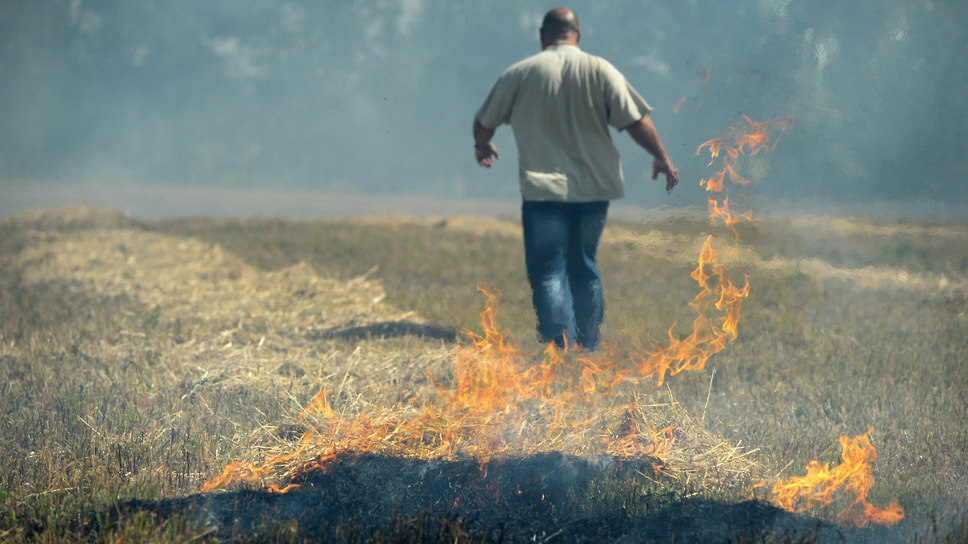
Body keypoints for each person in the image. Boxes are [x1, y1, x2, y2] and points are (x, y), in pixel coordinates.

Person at [473, 6, 679, 350]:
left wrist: (483, 146)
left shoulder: (520, 73)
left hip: (543, 192)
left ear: (542, 36)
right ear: (578, 36)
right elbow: (637, 121)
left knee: (549, 270)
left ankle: (559, 344)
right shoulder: (601, 70)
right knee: (584, 264)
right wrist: (661, 158)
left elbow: (484, 121)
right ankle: (589, 340)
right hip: (593, 189)